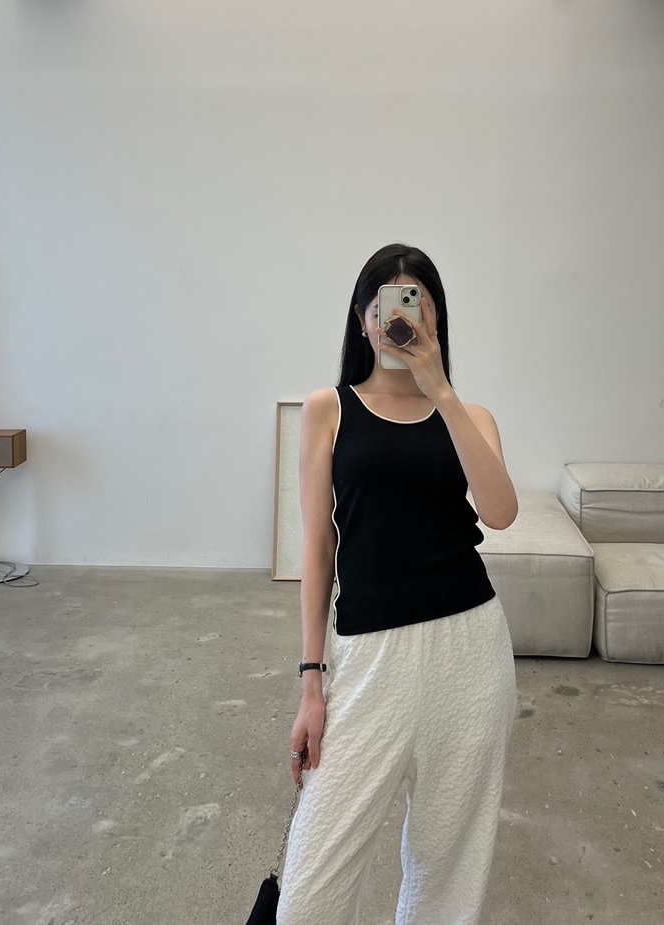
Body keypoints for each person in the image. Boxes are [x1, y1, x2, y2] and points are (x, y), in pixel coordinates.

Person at [276, 243, 519, 925]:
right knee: (311, 891)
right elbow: (318, 547)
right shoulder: (328, 409)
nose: (401, 318)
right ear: (363, 319)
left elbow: (500, 512)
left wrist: (440, 389)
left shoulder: (471, 416)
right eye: (386, 304)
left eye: (419, 303)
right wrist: (311, 683)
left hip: (470, 649)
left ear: (436, 319)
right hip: (370, 656)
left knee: (448, 876)